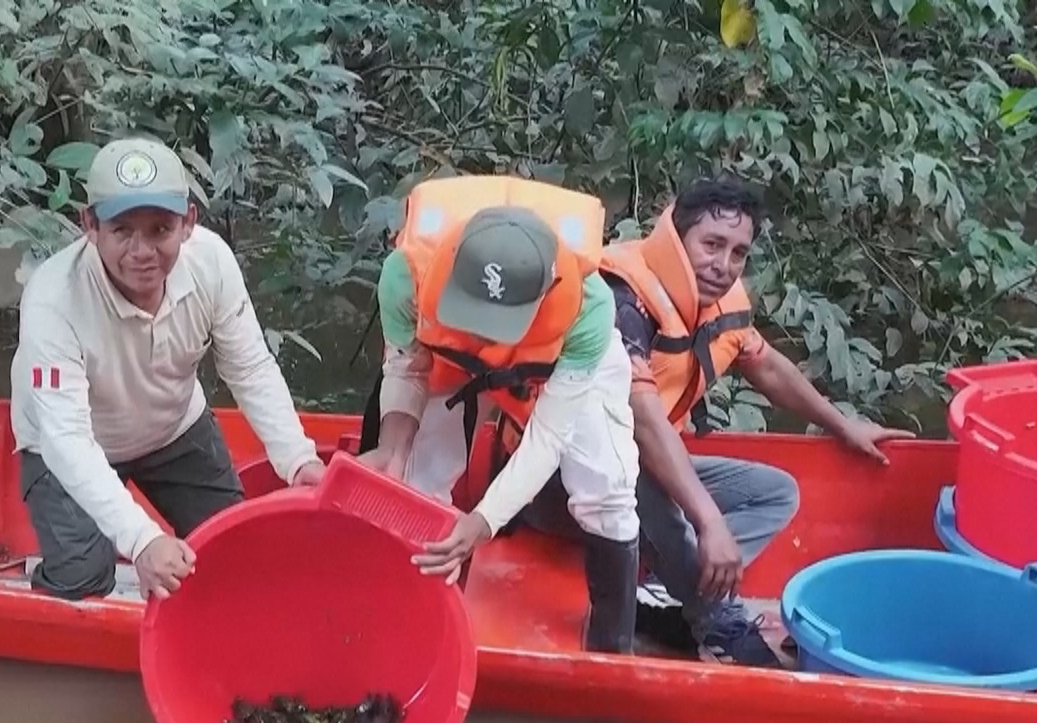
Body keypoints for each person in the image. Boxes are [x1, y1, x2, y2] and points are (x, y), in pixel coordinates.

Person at [596, 174, 914, 666]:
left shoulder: (716, 301)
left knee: (773, 492)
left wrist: (843, 424)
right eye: (712, 245)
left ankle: (662, 595)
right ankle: (716, 621)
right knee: (640, 475)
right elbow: (642, 419)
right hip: (571, 484)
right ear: (677, 240)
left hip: (639, 471)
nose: (724, 266)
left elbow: (764, 363)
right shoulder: (624, 299)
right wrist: (708, 522)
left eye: (738, 252)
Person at [8, 136, 326, 602]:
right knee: (84, 575)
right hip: (68, 444)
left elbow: (250, 367)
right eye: (122, 231)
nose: (142, 251)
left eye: (160, 229)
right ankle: (34, 591)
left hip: (175, 429)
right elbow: (66, 439)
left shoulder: (211, 262)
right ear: (90, 226)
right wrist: (143, 539)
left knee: (234, 556)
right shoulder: (53, 298)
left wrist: (299, 459)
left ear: (188, 223)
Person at [355, 174, 643, 654]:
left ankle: (611, 646)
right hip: (450, 349)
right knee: (412, 478)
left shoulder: (588, 312)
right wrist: (392, 448)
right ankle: (417, 624)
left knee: (606, 485)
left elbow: (549, 436)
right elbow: (405, 368)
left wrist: (484, 520)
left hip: (553, 359)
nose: (490, 338)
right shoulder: (406, 277)